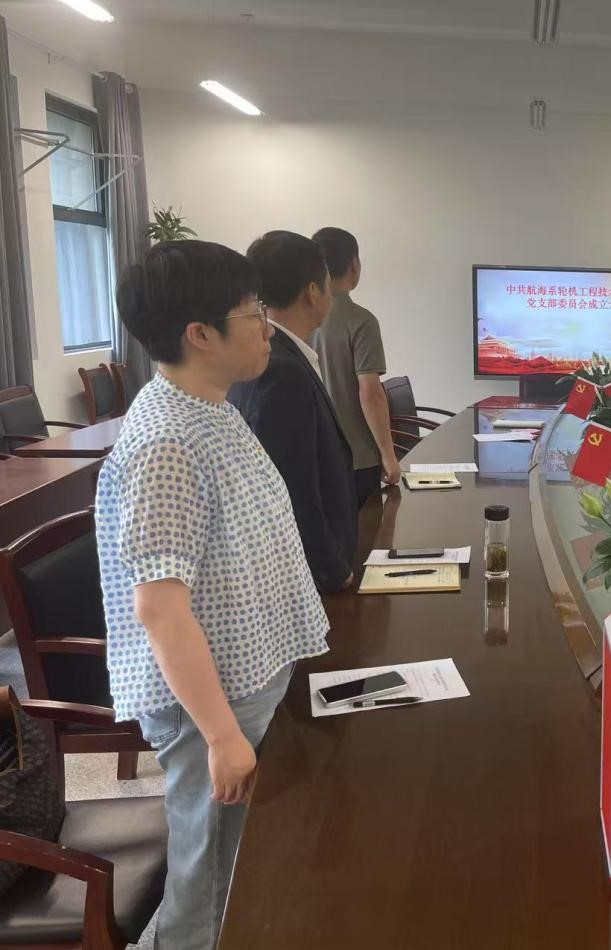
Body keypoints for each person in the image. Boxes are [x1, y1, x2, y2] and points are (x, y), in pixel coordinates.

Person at [96, 240, 329, 950]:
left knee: (238, 865)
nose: (267, 325)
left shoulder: (212, 408)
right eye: (253, 312)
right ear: (201, 334)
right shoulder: (166, 442)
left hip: (247, 678)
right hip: (211, 705)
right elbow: (160, 608)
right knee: (209, 876)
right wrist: (223, 736)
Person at [229, 230, 358, 593]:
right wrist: (333, 570)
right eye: (328, 285)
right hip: (308, 580)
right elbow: (293, 490)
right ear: (312, 292)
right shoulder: (280, 370)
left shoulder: (274, 356)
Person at [310, 227, 401, 506]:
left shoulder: (299, 319)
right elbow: (370, 394)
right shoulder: (361, 321)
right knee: (366, 526)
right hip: (357, 456)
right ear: (354, 265)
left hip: (313, 453)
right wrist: (388, 454)